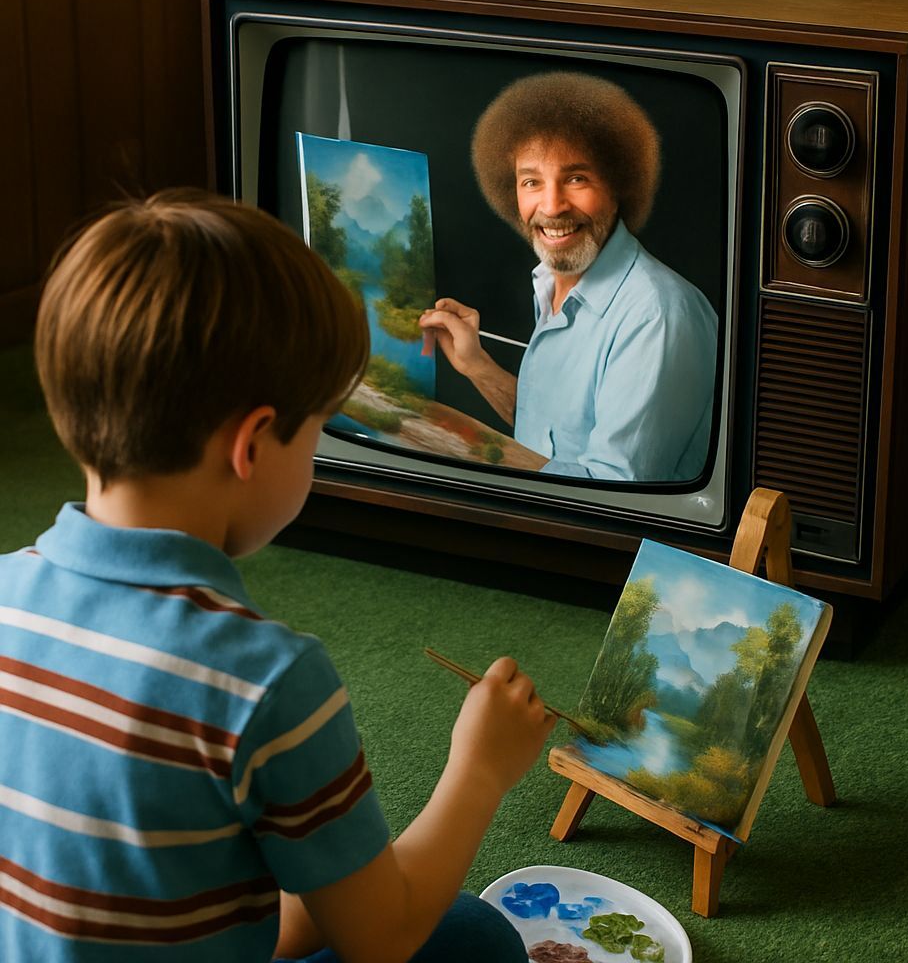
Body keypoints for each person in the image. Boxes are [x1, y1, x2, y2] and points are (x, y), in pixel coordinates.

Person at [0, 191, 555, 963]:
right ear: (253, 444)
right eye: (320, 429)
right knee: (473, 938)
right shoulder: (266, 679)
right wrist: (480, 769)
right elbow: (383, 937)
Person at [419, 71, 719, 483]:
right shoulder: (552, 284)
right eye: (531, 182)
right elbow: (556, 437)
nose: (552, 206)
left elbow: (614, 495)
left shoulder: (658, 315)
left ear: (618, 186)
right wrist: (478, 367)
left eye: (576, 179)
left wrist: (463, 443)